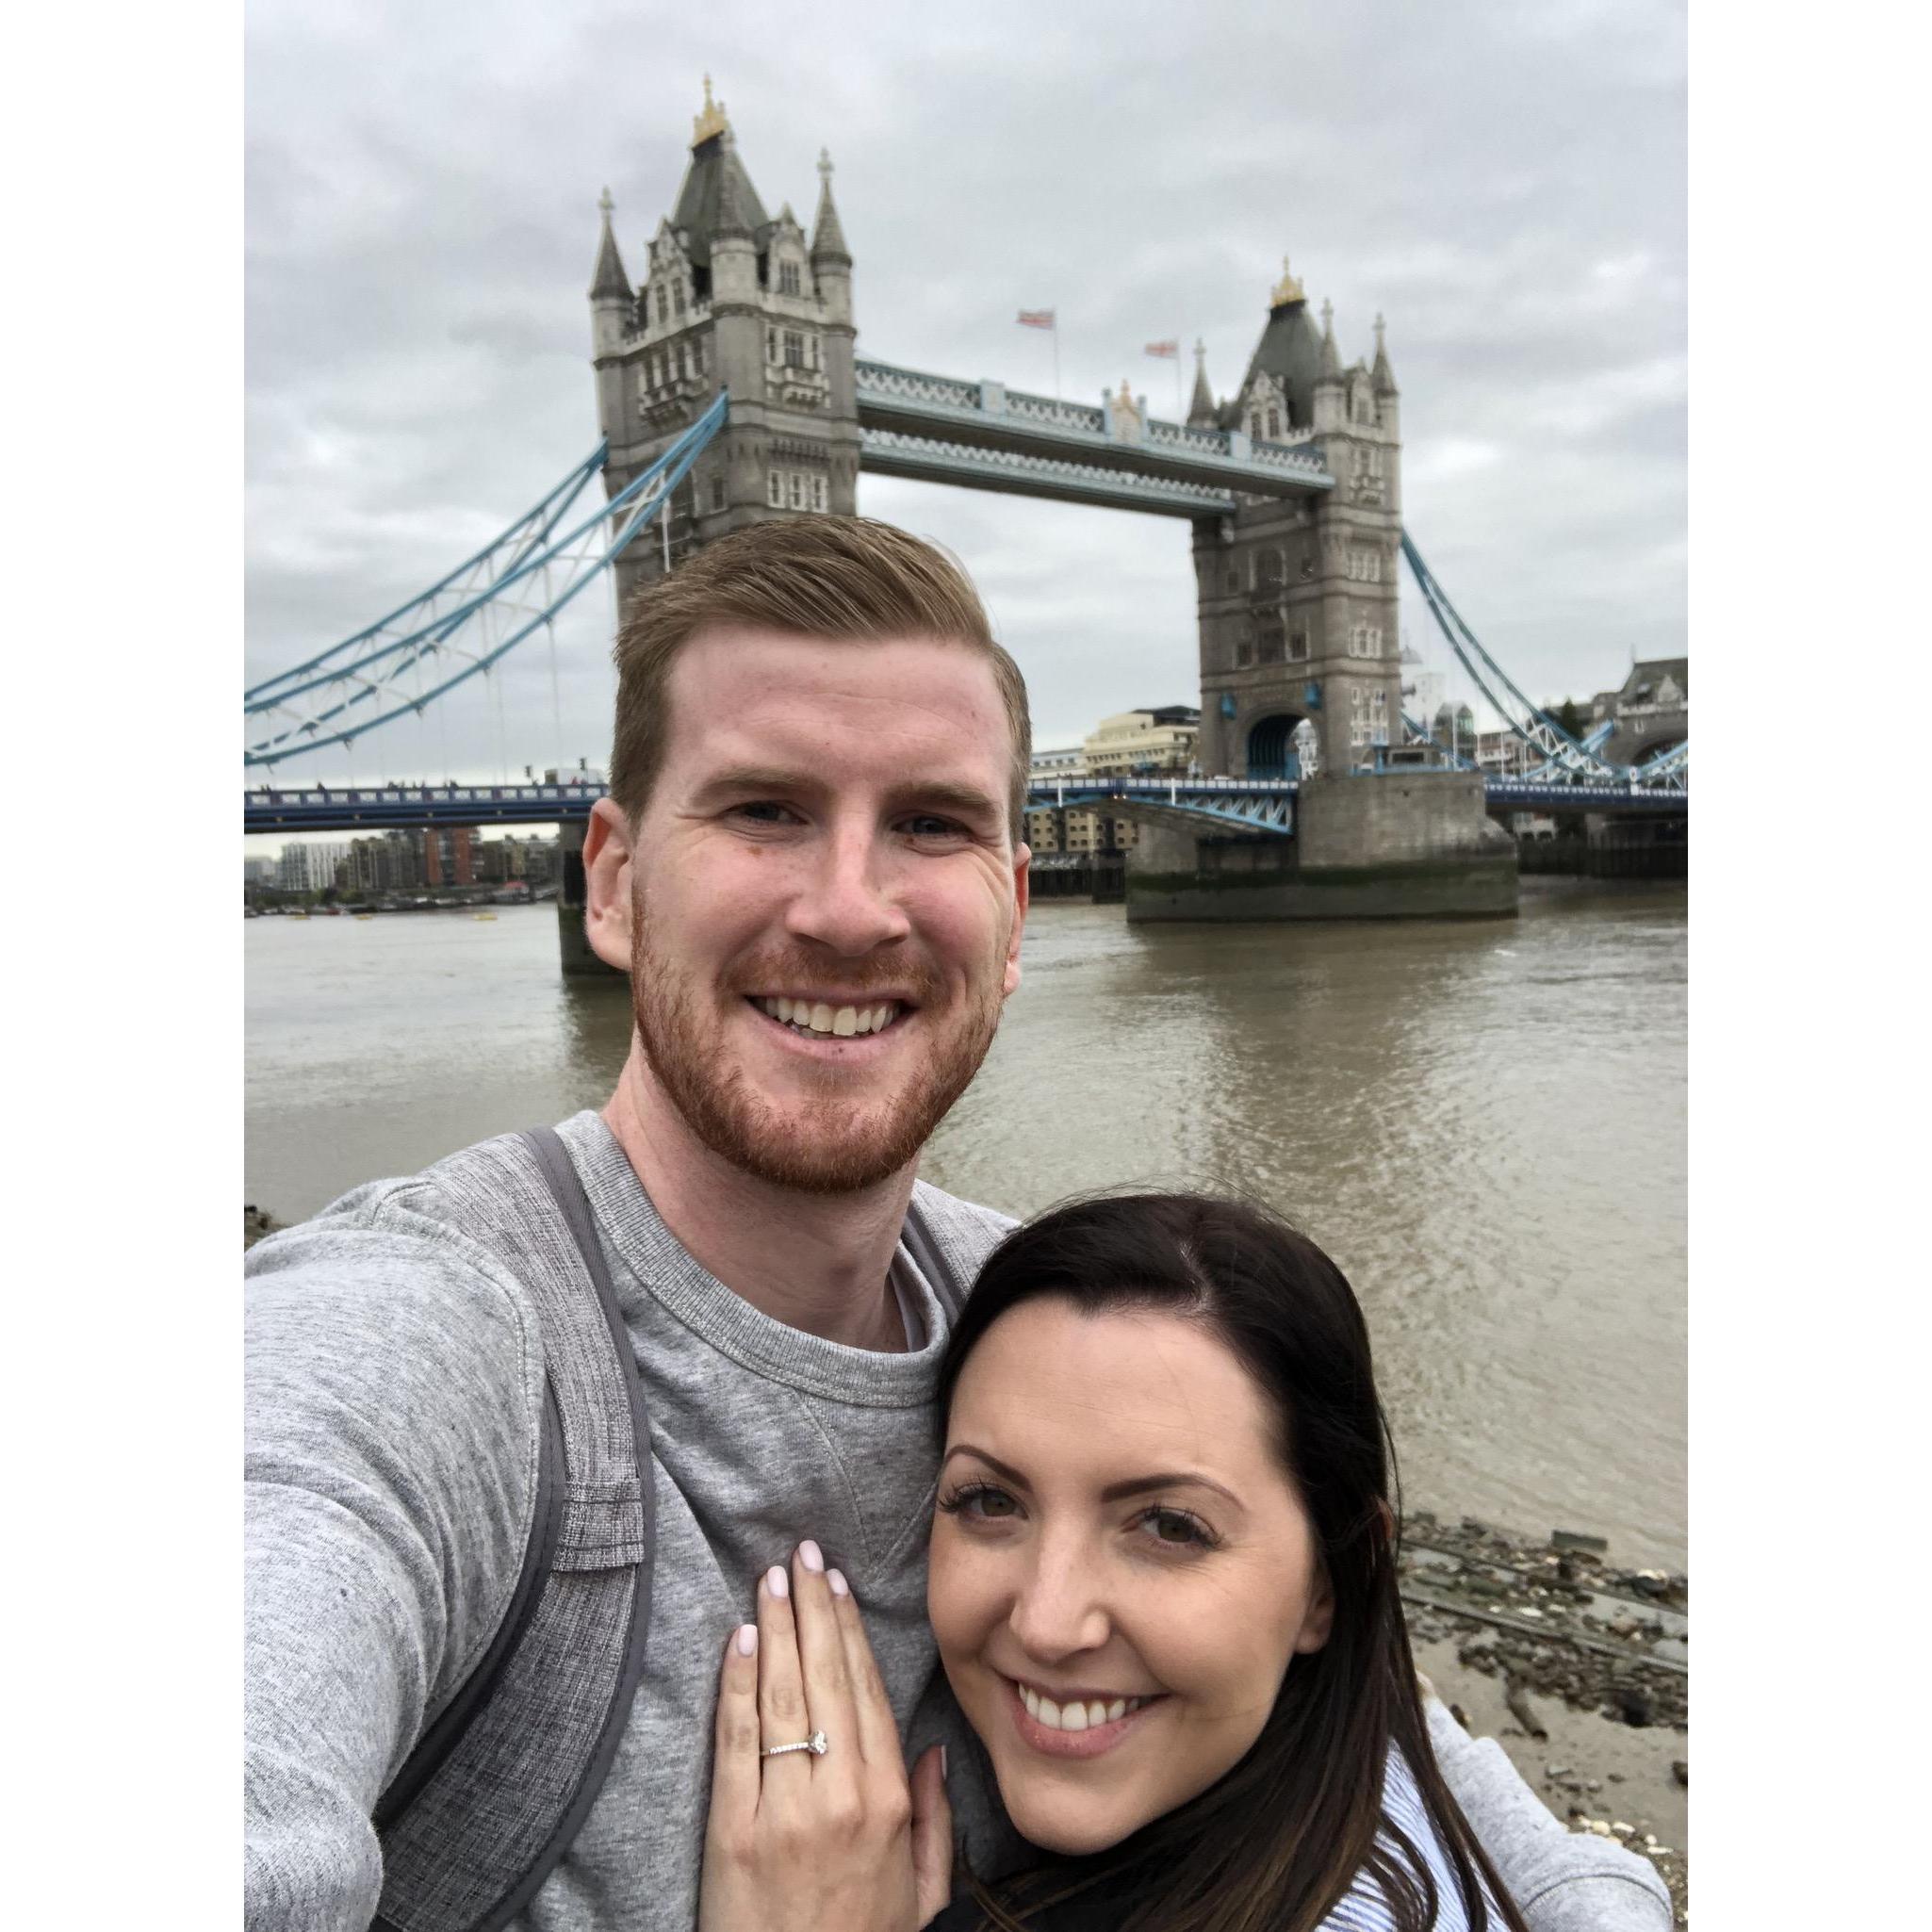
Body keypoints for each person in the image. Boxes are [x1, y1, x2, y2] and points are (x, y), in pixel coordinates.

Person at [245, 516, 1670, 1931]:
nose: (852, 908)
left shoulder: (1039, 1320)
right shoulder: (421, 1349)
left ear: (1016, 902)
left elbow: (1394, 1740)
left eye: (930, 822)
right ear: (611, 880)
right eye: (764, 808)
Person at [697, 1195, 1672, 1931]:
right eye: (988, 1500)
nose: (1046, 1619)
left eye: (1168, 1525)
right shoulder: (1356, 1770)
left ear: (1325, 1585)